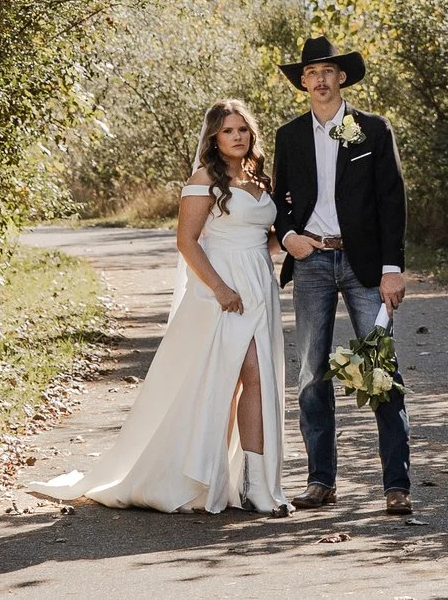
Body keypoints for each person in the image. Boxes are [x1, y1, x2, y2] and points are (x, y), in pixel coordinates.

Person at [31, 100, 288, 513]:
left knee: (254, 381)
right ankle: (209, 477)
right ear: (214, 139)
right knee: (233, 377)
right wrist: (221, 289)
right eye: (228, 131)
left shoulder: (261, 179)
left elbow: (263, 238)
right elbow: (186, 241)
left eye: (243, 129)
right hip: (220, 290)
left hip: (259, 283)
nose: (238, 136)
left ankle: (254, 483)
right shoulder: (204, 179)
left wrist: (292, 242)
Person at [271, 35, 413, 514]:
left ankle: (396, 485)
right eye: (313, 73)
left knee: (378, 370)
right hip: (311, 262)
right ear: (304, 82)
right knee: (313, 374)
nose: (321, 79)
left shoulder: (370, 129)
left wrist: (392, 268)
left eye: (329, 71)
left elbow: (392, 200)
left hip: (365, 265)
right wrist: (289, 235)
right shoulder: (289, 136)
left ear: (342, 77)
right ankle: (321, 482)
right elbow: (280, 201)